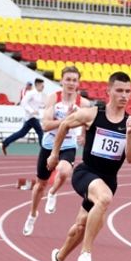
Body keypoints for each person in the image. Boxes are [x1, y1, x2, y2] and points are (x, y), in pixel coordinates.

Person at [45, 71, 131, 261]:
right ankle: (86, 252)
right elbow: (64, 124)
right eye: (119, 90)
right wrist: (54, 154)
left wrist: (128, 134)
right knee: (105, 198)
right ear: (109, 91)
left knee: (79, 227)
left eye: (128, 91)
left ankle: (58, 259)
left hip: (109, 180)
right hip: (86, 173)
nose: (124, 95)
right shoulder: (92, 114)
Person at [22, 66, 91, 236]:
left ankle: (53, 193)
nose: (71, 83)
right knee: (40, 185)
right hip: (49, 145)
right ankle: (32, 214)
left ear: (78, 83)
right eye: (68, 79)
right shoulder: (54, 98)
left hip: (68, 145)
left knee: (65, 170)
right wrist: (66, 121)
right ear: (61, 81)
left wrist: (83, 134)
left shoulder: (84, 103)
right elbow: (45, 125)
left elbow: (86, 122)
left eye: (74, 80)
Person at [0, 78, 46, 155]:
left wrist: (43, 106)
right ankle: (44, 152)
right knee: (40, 132)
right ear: (37, 85)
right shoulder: (31, 93)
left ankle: (4, 143)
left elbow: (37, 104)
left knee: (22, 133)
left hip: (33, 117)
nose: (43, 87)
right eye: (42, 85)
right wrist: (31, 111)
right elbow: (23, 102)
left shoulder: (39, 94)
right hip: (31, 117)